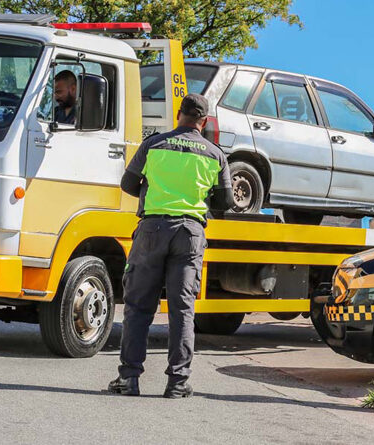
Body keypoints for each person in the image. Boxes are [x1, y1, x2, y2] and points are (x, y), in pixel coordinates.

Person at [108, 93, 233, 398]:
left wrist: (150, 190)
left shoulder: (154, 144)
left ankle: (129, 379)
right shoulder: (215, 154)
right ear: (203, 122)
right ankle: (177, 383)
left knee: (138, 307)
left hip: (152, 229)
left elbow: (127, 184)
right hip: (190, 233)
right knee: (182, 309)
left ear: (179, 115)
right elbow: (226, 201)